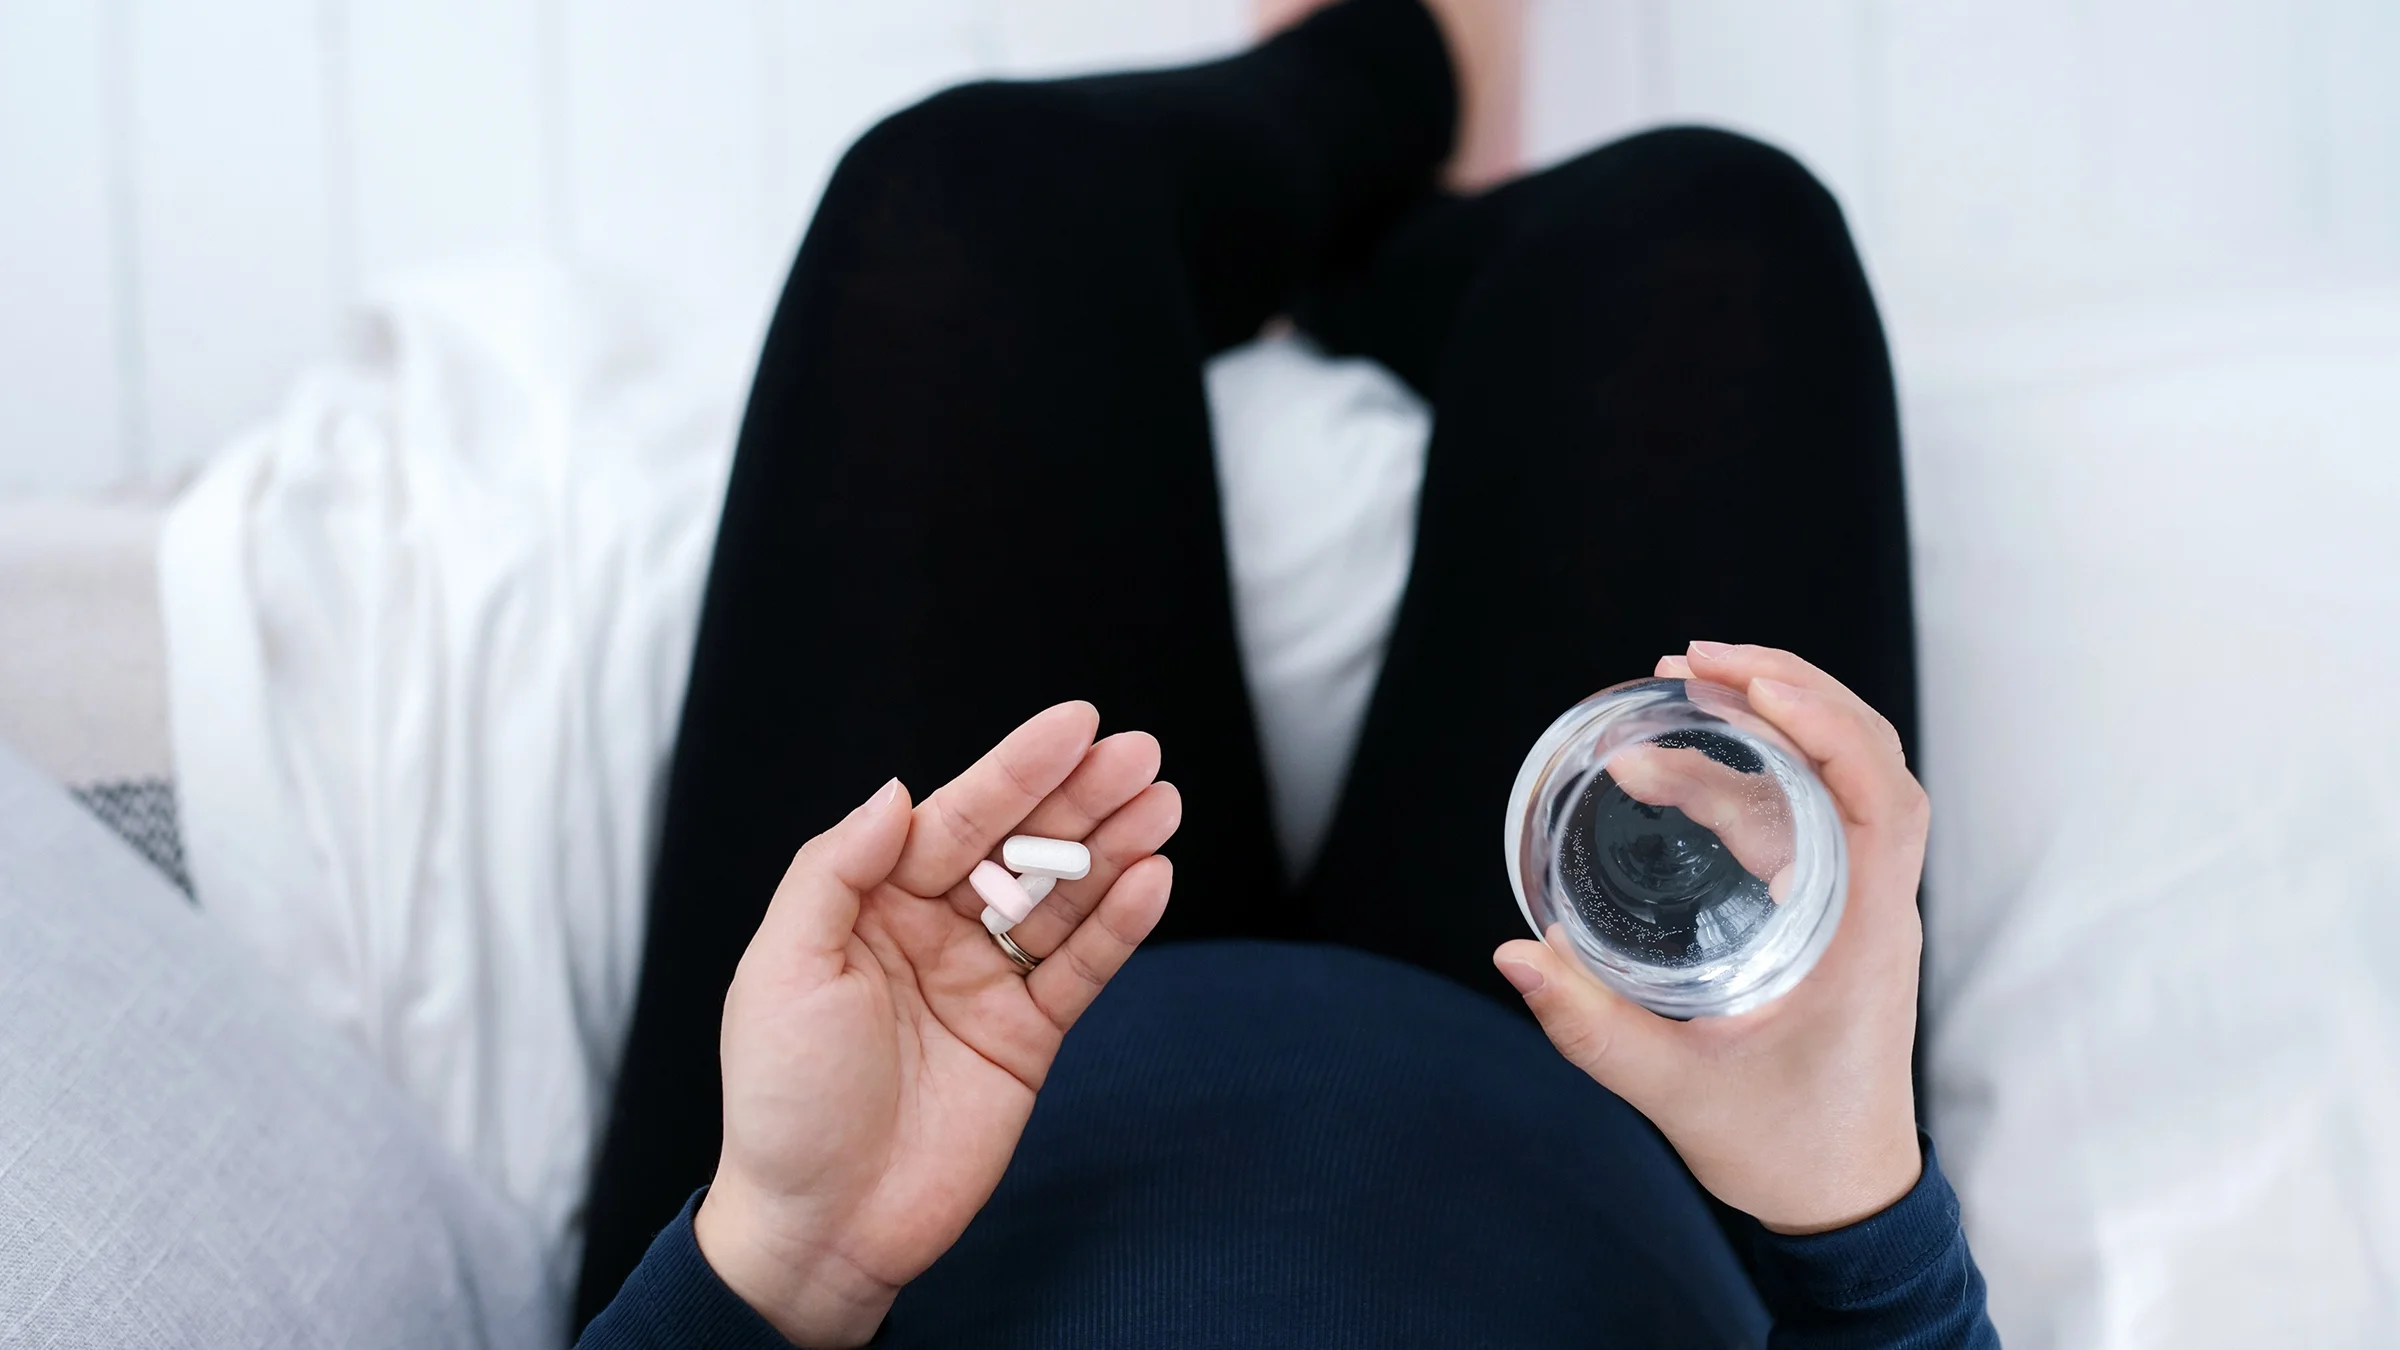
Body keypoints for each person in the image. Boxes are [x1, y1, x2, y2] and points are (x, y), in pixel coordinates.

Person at [572, 0, 1995, 1343]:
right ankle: (1393, 186)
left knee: (961, 191)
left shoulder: (815, 1223)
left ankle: (1374, 80)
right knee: (1713, 231)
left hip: (885, 1169)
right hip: (1637, 1143)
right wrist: (1851, 1199)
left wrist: (784, 1256)